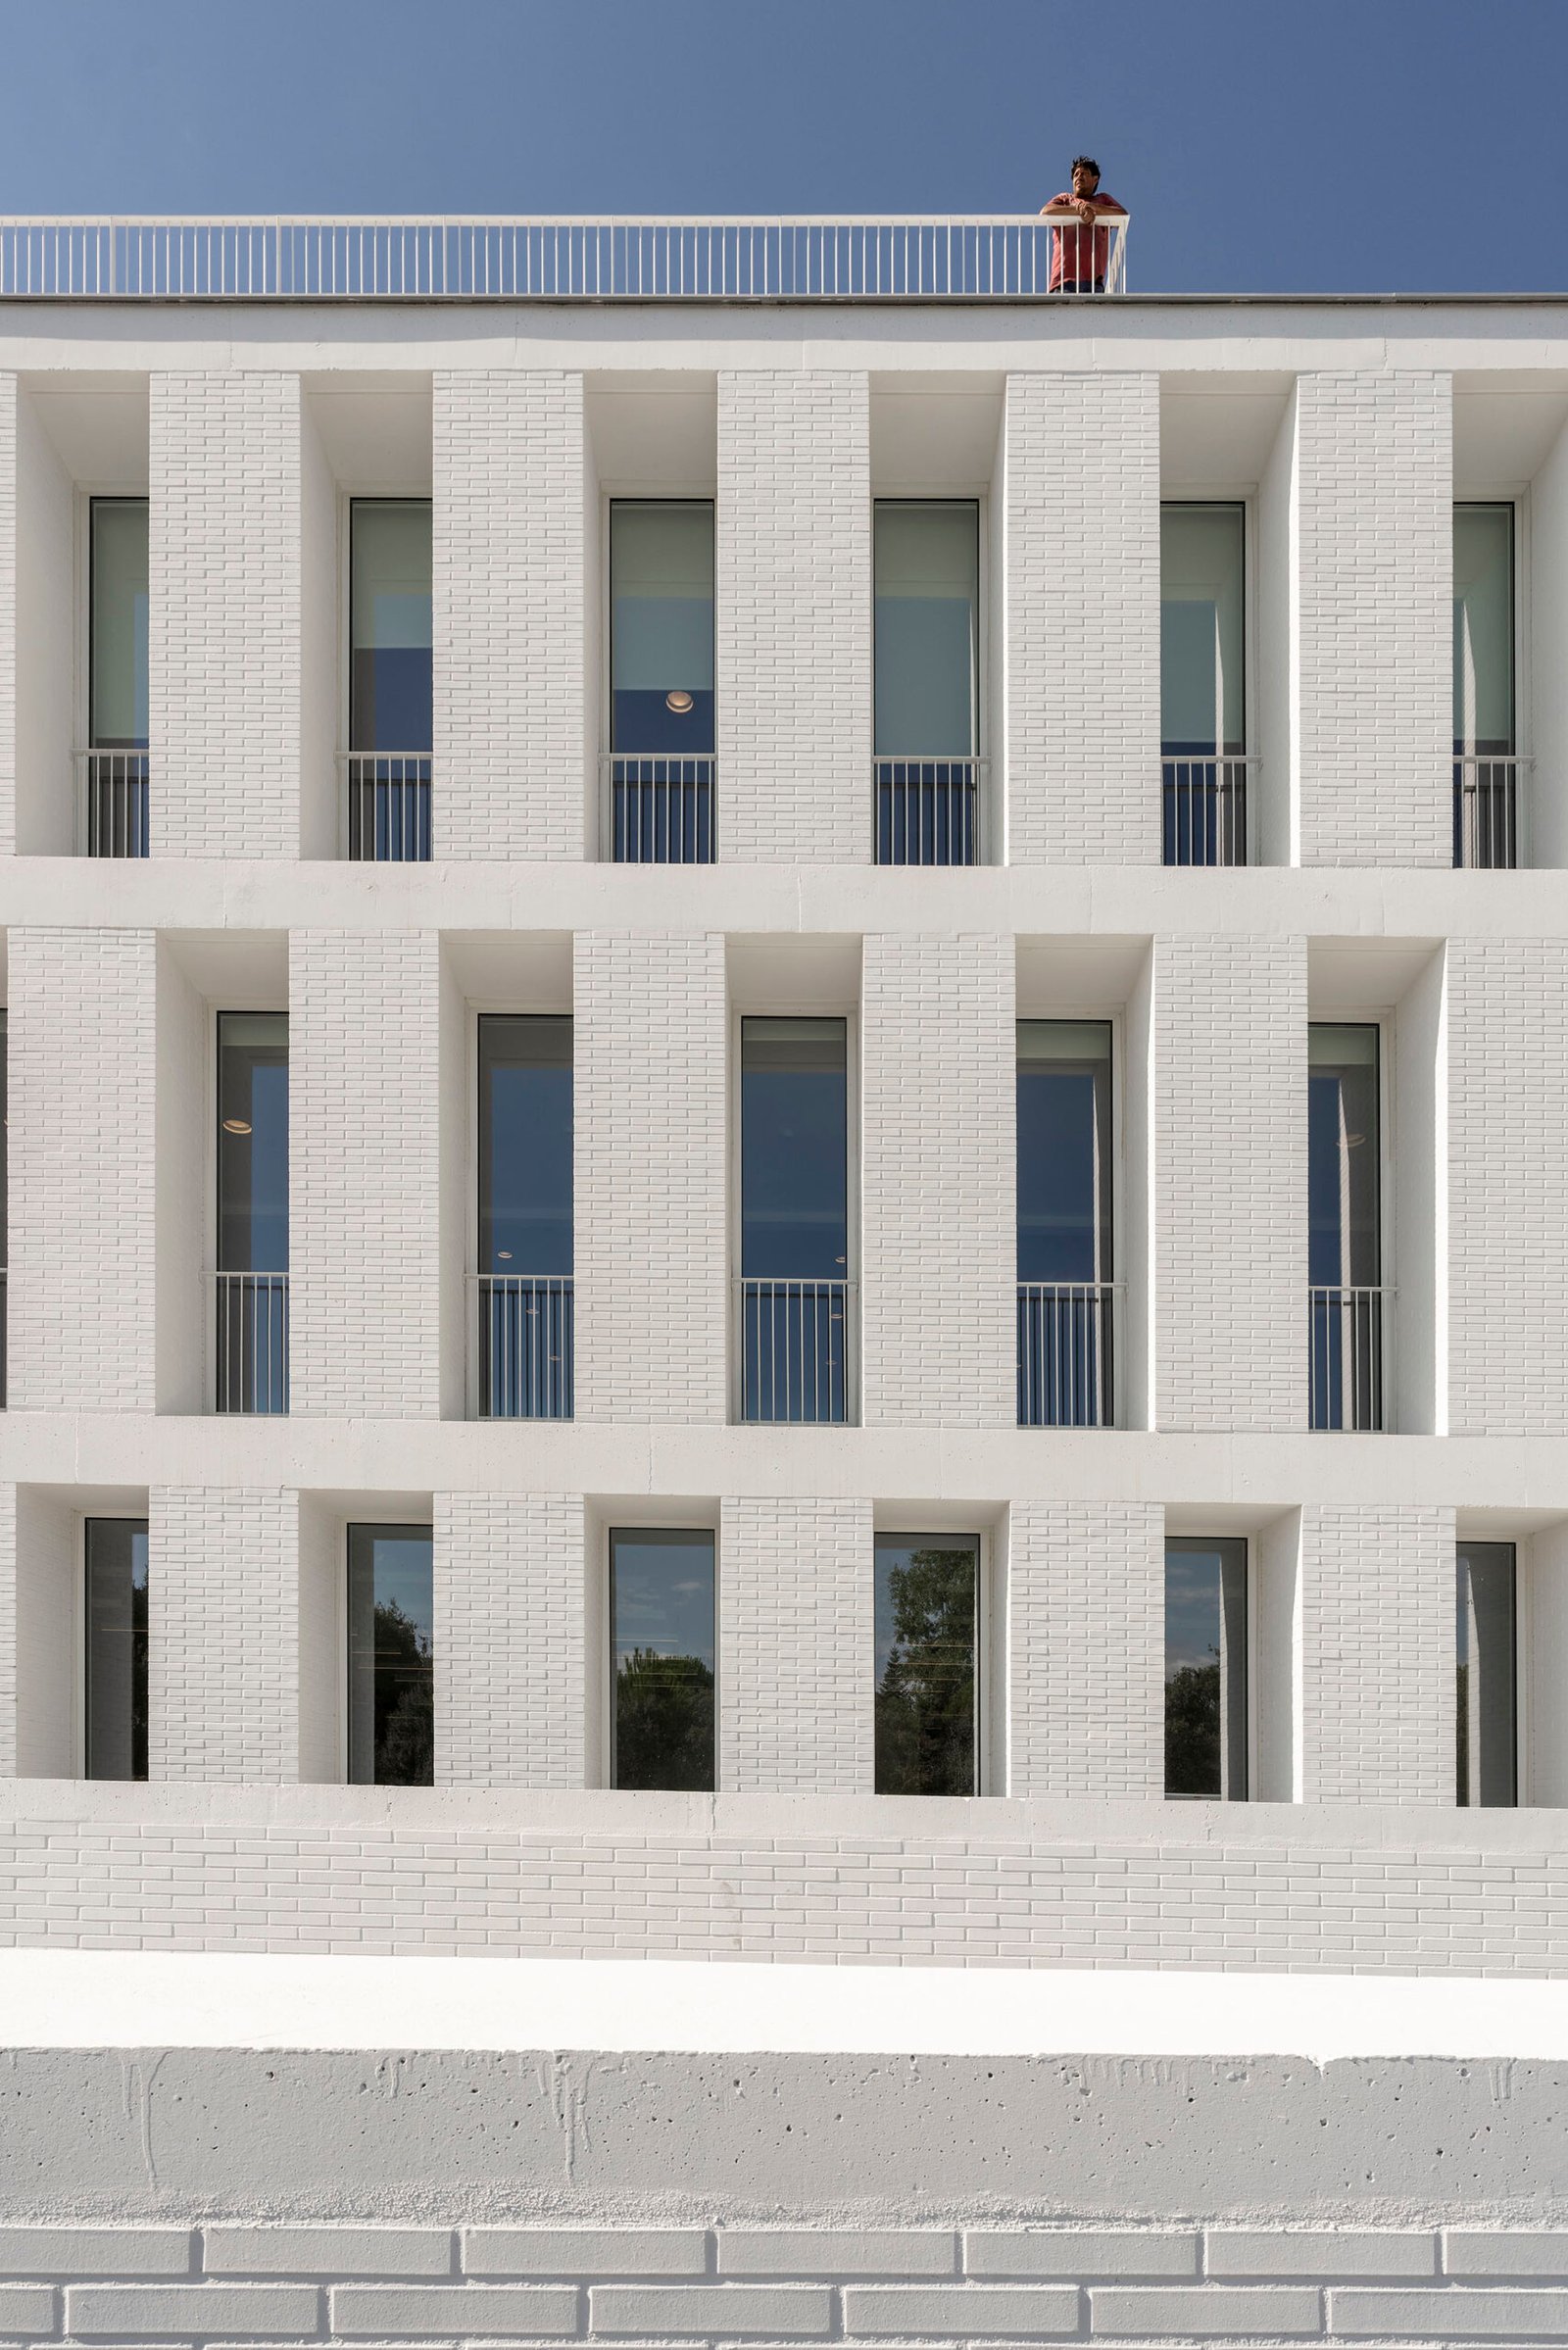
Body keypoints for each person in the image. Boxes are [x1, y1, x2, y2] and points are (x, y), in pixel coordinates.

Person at [1040, 157, 1126, 293]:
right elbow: (1046, 212)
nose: (1079, 177)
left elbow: (1122, 216)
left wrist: (1092, 207)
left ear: (1095, 179)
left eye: (1084, 173)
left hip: (1092, 282)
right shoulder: (1065, 199)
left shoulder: (1103, 199)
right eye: (1076, 174)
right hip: (1062, 281)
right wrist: (1080, 208)